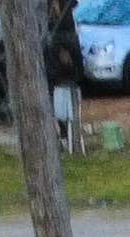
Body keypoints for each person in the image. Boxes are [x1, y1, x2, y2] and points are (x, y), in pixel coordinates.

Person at [43, 0, 88, 151]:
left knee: (69, 92)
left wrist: (65, 50)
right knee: (54, 95)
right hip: (55, 45)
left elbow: (74, 5)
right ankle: (61, 135)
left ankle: (69, 136)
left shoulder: (65, 12)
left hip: (65, 41)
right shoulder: (46, 9)